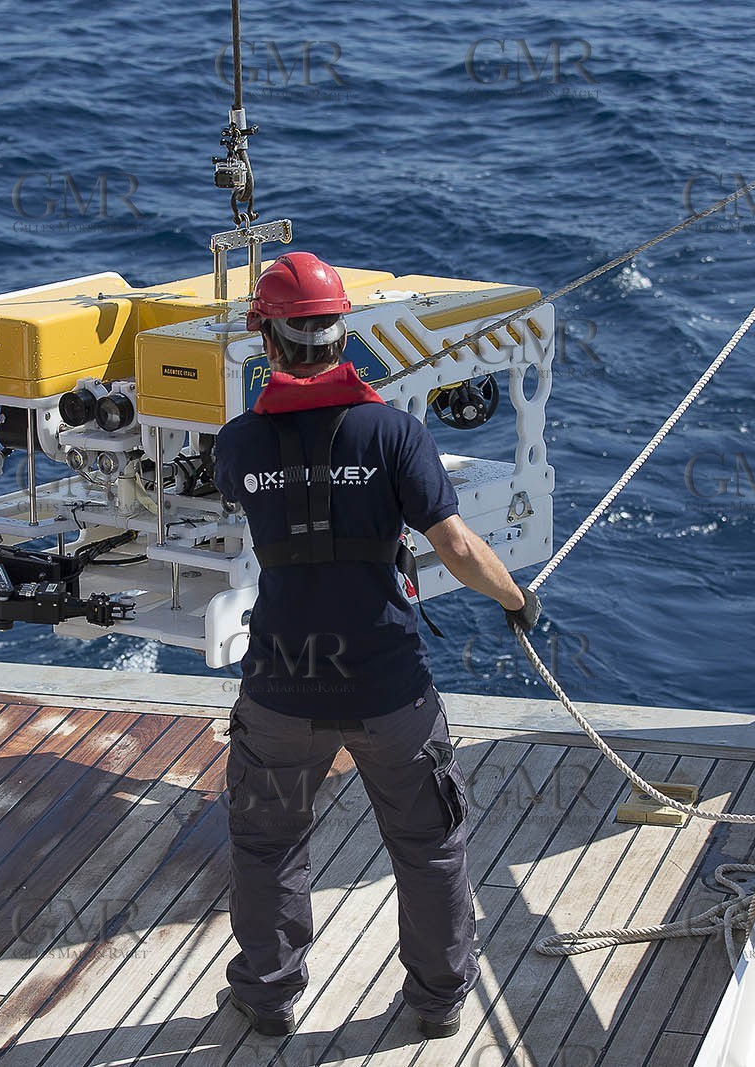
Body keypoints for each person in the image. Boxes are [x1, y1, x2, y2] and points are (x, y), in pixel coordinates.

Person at [212, 252, 541, 1039]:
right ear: (342, 332)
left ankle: (266, 994)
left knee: (267, 845)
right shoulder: (395, 433)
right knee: (428, 848)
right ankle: (436, 1002)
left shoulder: (238, 445)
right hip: (388, 686)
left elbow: (248, 490)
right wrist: (516, 598)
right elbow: (456, 546)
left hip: (283, 685)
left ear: (268, 340)